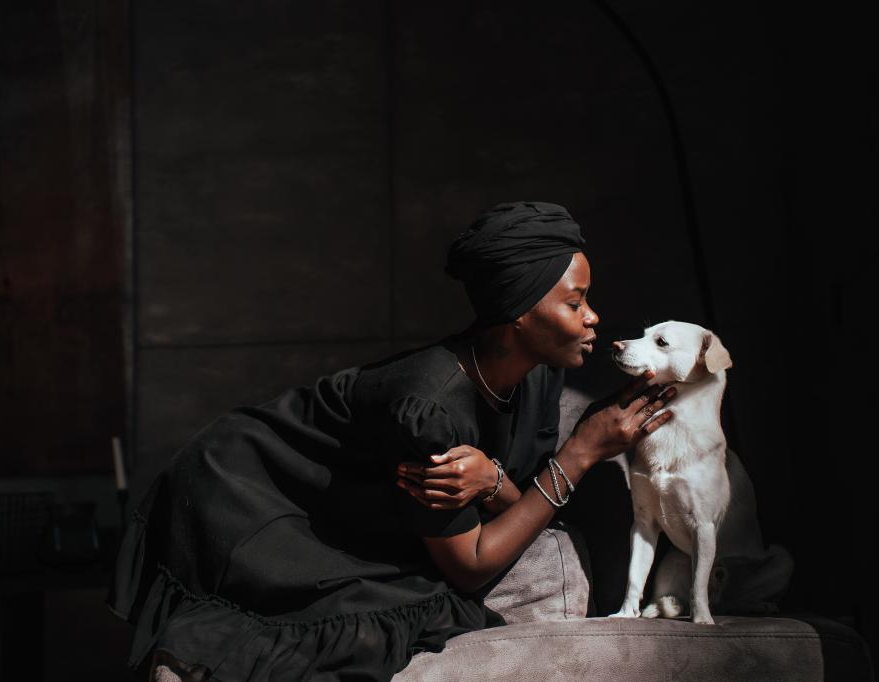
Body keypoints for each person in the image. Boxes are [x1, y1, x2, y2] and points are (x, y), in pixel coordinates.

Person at [106, 200, 677, 681]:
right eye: (575, 303)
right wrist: (580, 453)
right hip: (251, 487)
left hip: (353, 489)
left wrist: (492, 481)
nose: (593, 317)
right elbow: (472, 566)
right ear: (519, 316)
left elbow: (523, 502)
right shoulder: (430, 410)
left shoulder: (540, 372)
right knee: (361, 612)